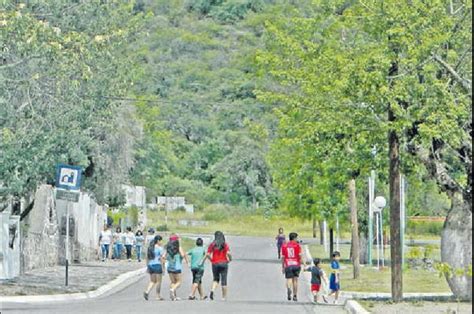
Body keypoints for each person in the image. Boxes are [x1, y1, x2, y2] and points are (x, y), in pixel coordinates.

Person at [203, 231, 232, 301]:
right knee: (224, 280)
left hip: (215, 263)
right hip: (224, 263)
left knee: (216, 279)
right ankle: (223, 297)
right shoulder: (224, 244)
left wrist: (211, 260)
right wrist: (230, 259)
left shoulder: (212, 245)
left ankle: (212, 290)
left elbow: (207, 254)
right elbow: (228, 253)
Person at [163, 234, 189, 301]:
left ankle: (174, 297)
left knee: (173, 282)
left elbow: (163, 257)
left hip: (169, 267)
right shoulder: (178, 247)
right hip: (177, 267)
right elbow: (183, 255)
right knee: (179, 282)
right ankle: (172, 289)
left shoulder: (167, 248)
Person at [281, 232, 304, 302]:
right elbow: (300, 256)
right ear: (294, 238)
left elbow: (283, 257)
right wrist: (302, 263)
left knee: (289, 279)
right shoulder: (297, 246)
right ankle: (295, 295)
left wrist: (283, 267)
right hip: (296, 264)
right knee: (295, 280)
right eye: (296, 238)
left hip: (288, 264)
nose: (297, 239)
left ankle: (288, 288)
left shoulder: (284, 246)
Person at [143, 235, 165, 301]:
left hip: (150, 265)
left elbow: (147, 258)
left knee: (153, 281)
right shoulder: (159, 248)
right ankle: (158, 296)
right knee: (158, 282)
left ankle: (147, 291)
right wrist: (163, 267)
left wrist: (147, 266)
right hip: (157, 265)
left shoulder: (150, 248)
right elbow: (161, 258)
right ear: (158, 241)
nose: (161, 242)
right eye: (161, 240)